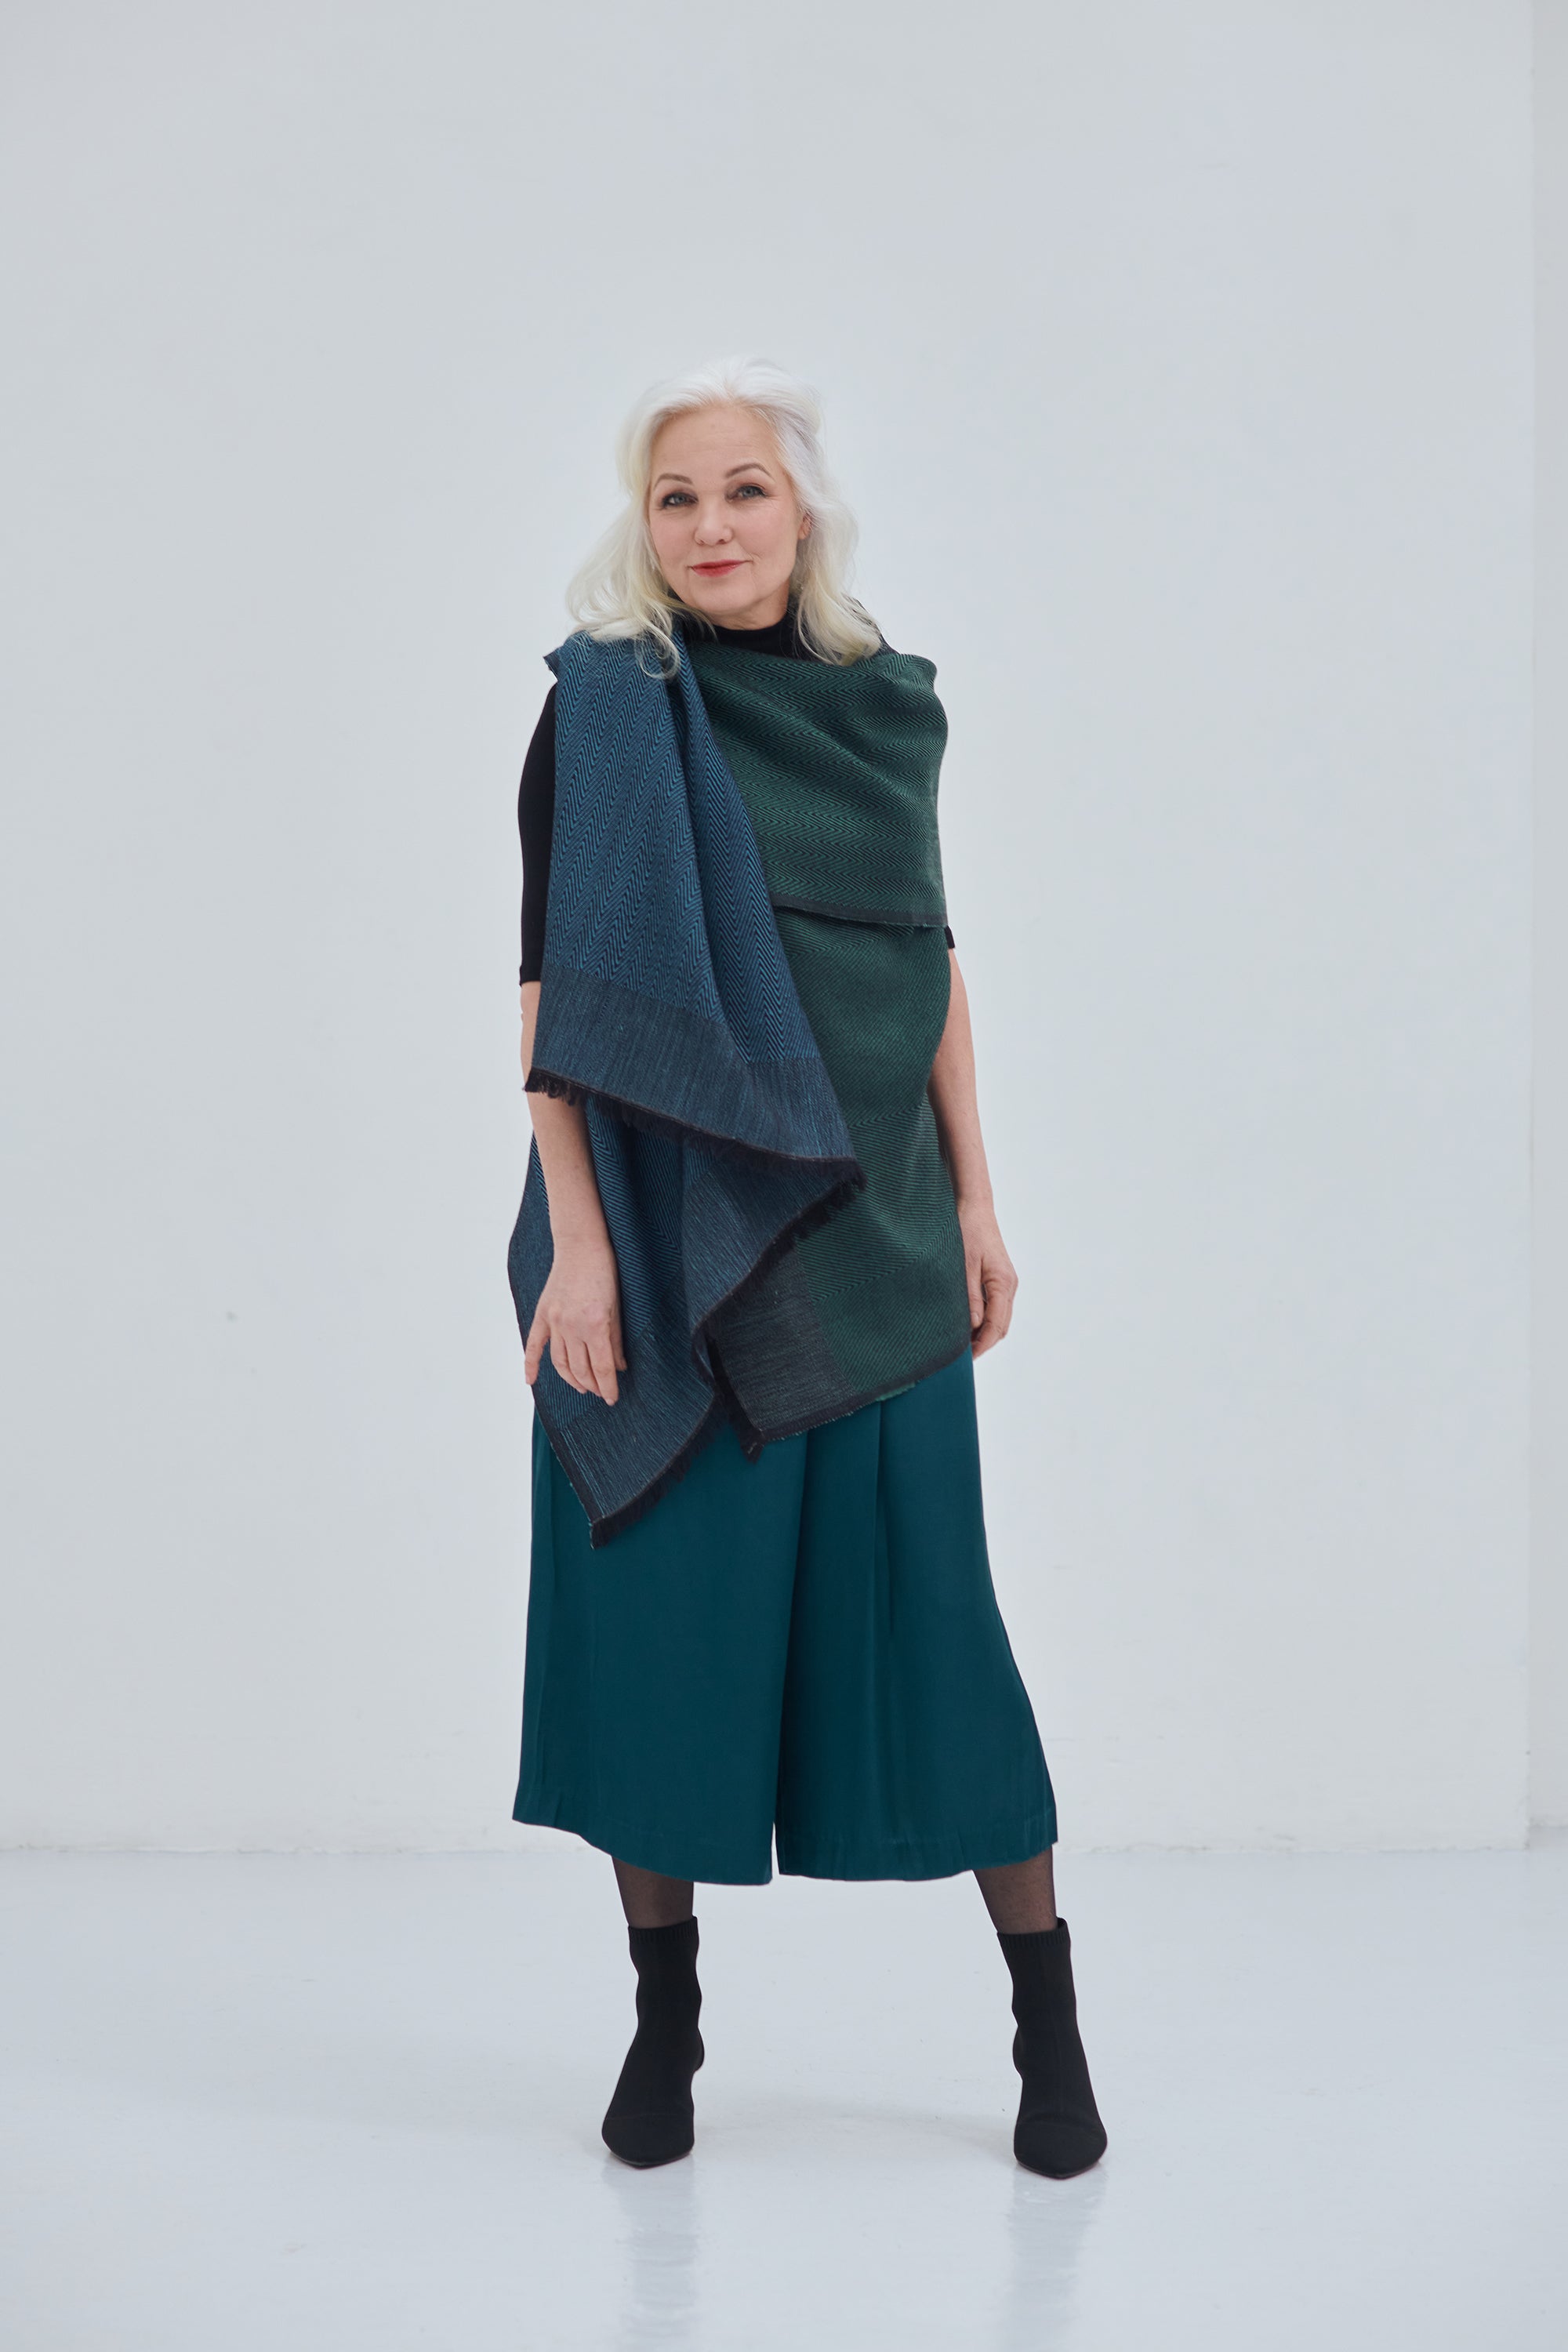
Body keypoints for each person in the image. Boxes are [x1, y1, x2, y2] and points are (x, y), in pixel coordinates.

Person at [507, 356, 1106, 2179]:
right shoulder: (606, 713)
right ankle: (665, 2016)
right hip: (659, 1240)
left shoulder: (882, 707)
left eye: (744, 489)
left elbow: (928, 960)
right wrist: (583, 1249)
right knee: (659, 1649)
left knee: (942, 1643)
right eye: (676, 496)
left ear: (804, 508)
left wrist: (979, 1202)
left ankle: (1048, 2020)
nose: (711, 527)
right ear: (645, 521)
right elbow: (546, 1002)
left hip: (872, 1227)